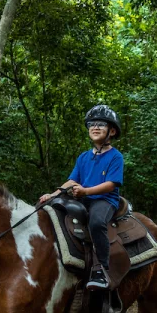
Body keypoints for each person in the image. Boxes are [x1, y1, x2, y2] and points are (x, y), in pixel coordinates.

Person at [40, 105, 124, 290]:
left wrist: (86, 191)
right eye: (92, 124)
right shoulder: (84, 157)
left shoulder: (115, 157)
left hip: (104, 200)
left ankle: (101, 268)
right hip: (83, 199)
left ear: (112, 130)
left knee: (96, 222)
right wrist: (52, 195)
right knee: (54, 210)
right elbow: (72, 180)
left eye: (101, 124)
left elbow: (111, 184)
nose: (95, 127)